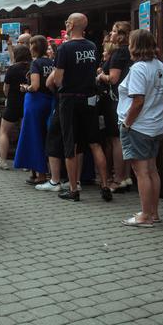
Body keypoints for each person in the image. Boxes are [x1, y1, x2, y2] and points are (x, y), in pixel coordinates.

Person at [54, 13, 111, 202]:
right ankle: (105, 185)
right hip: (89, 99)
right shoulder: (93, 46)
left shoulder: (64, 48)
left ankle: (73, 189)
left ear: (71, 25)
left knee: (71, 144)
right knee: (95, 143)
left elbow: (57, 79)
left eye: (67, 21)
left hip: (69, 100)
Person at [118, 29, 163, 227]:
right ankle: (153, 213)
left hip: (139, 126)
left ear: (135, 46)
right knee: (152, 170)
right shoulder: (160, 66)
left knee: (142, 172)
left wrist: (127, 123)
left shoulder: (138, 68)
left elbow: (138, 101)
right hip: (155, 124)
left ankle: (145, 216)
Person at [97, 21, 133, 192]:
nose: (110, 35)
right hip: (127, 99)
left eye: (113, 31)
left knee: (117, 139)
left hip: (115, 100)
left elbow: (113, 78)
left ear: (121, 35)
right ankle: (126, 177)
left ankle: (118, 178)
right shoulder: (131, 52)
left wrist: (100, 76)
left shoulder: (118, 53)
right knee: (123, 138)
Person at [14, 36, 54, 184]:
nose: (29, 48)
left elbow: (35, 86)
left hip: (35, 102)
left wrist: (26, 87)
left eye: (31, 44)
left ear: (34, 47)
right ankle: (48, 173)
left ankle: (40, 175)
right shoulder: (51, 62)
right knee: (45, 137)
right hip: (49, 101)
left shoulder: (36, 63)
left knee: (33, 137)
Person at [0, 44, 31, 170]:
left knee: (4, 131)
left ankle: (3, 161)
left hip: (13, 103)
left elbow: (6, 88)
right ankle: (26, 163)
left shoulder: (12, 69)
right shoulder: (31, 67)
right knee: (25, 132)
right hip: (27, 102)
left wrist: (8, 96)